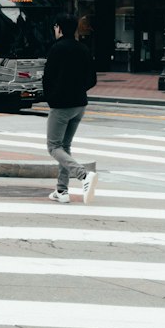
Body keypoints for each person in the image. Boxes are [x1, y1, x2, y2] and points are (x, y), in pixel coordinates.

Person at [43, 13, 97, 204]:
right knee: (64, 147)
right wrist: (79, 90)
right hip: (80, 104)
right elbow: (92, 79)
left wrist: (51, 98)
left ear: (58, 28)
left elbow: (47, 78)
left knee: (53, 146)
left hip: (61, 105)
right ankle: (61, 190)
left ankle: (83, 175)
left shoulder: (56, 49)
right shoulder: (83, 48)